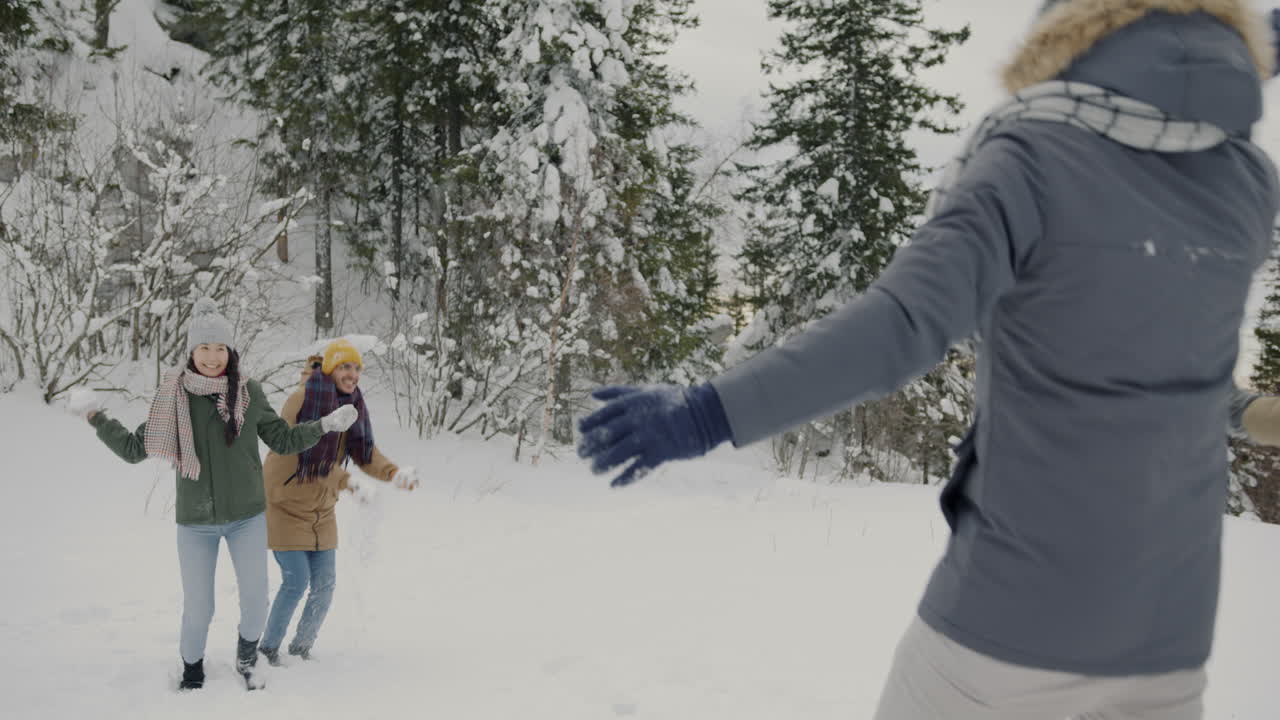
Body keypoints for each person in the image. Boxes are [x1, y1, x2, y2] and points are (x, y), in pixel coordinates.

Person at [577, 2, 1279, 718]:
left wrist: (707, 413)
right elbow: (1155, 351)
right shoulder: (1248, 185)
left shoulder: (1033, 158)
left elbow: (901, 324)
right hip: (1170, 639)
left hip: (1010, 625)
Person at [79, 299, 359, 691]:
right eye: (205, 348)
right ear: (192, 352)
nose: (213, 357)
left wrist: (325, 425)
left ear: (231, 352)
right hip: (195, 522)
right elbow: (132, 449)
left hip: (247, 516)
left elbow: (281, 438)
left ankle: (248, 659)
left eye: (220, 349)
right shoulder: (174, 398)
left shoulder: (249, 392)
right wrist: (96, 418)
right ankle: (192, 669)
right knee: (199, 609)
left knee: (256, 600)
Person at [258, 339, 419, 665]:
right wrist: (348, 483)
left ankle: (301, 651)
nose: (353, 373)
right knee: (296, 580)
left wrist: (393, 473)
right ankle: (267, 651)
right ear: (331, 368)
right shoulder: (302, 399)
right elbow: (308, 454)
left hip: (321, 509)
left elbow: (365, 451)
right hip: (285, 504)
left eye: (357, 368)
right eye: (346, 366)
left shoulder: (353, 404)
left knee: (325, 584)